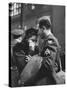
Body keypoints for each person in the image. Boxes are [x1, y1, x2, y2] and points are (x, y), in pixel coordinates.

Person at [36, 16, 65, 85]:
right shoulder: (47, 41)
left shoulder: (51, 41)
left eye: (38, 30)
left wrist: (34, 75)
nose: (38, 33)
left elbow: (48, 65)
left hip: (51, 79)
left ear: (43, 28)